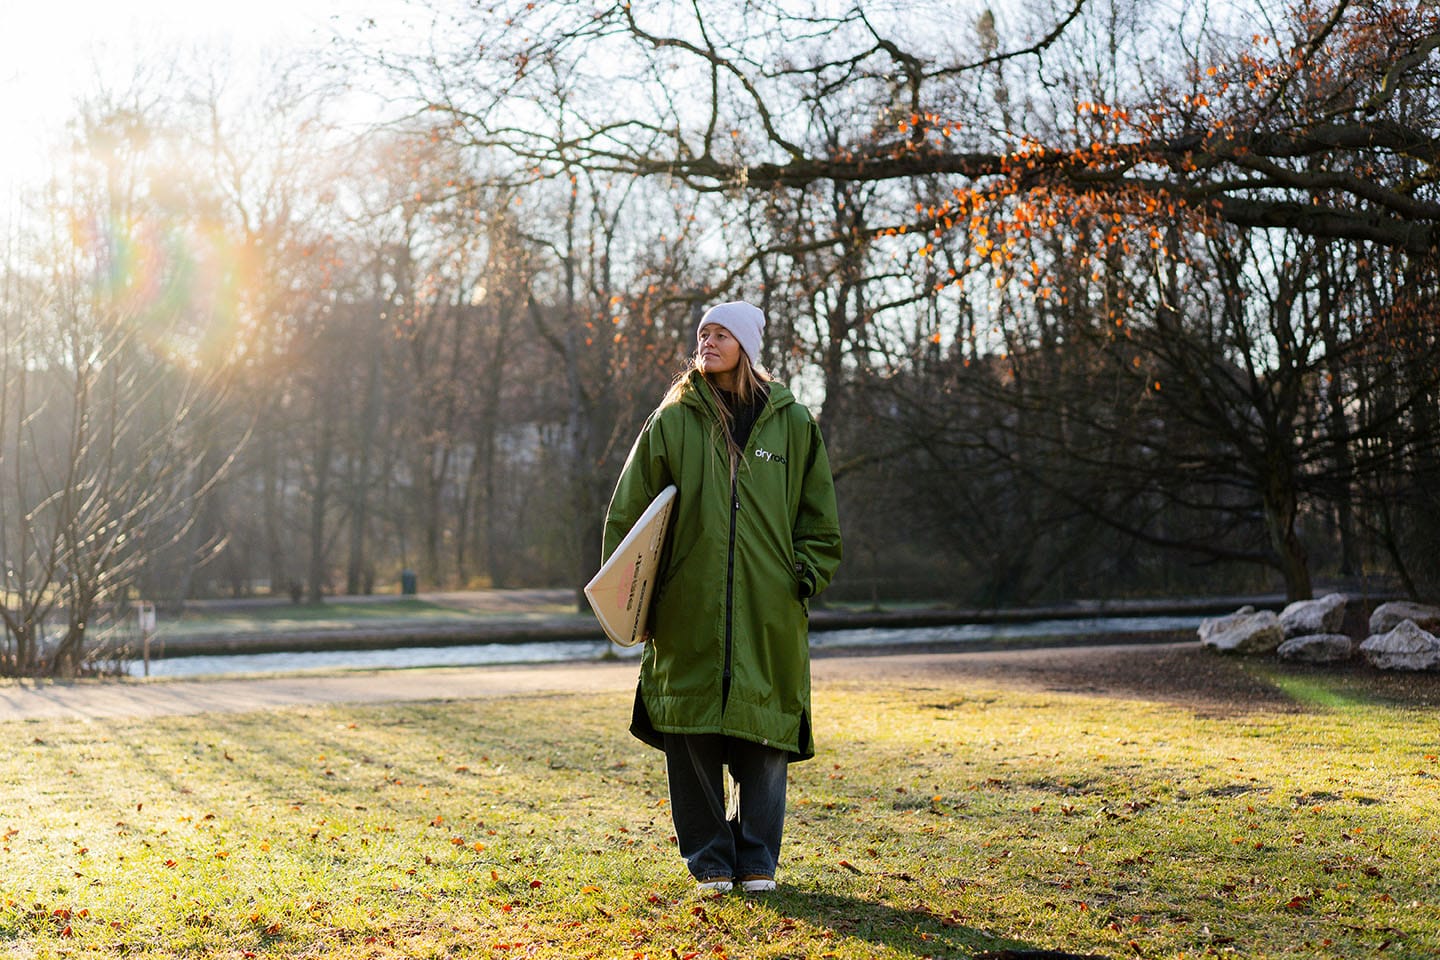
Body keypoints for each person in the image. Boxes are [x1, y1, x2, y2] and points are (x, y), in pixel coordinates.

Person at [601, 300, 843, 895]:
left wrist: (802, 576)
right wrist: (634, 601)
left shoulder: (793, 423)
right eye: (703, 334)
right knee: (690, 735)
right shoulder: (672, 420)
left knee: (765, 735)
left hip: (768, 612)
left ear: (747, 346)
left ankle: (757, 860)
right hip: (687, 609)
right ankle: (710, 860)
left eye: (720, 334)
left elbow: (819, 520)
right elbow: (630, 516)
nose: (707, 342)